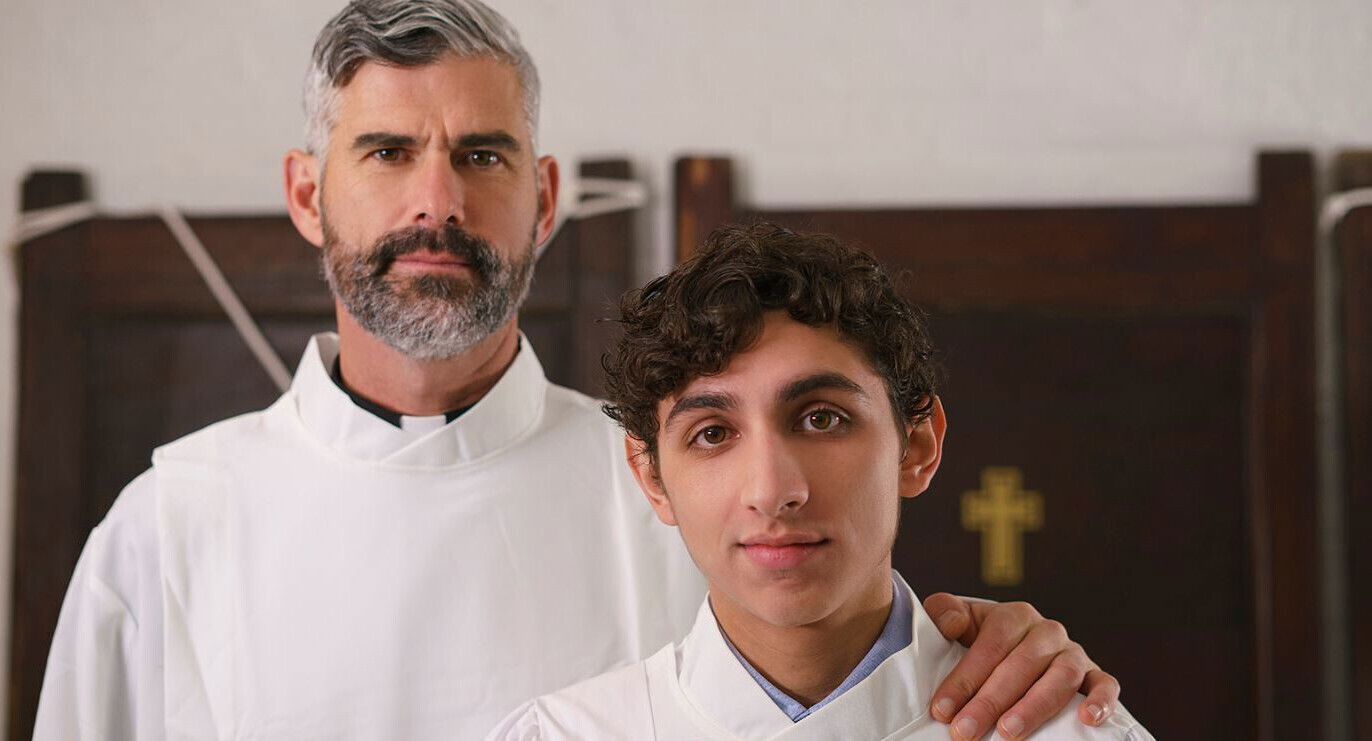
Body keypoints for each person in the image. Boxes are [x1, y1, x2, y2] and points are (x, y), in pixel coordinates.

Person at [34, 2, 1118, 739]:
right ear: (307, 194)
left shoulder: (680, 480)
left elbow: (849, 677)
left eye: (482, 155)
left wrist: (991, 657)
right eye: (385, 152)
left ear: (544, 198)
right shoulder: (168, 529)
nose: (437, 203)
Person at [492, 223, 1153, 741]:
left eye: (820, 417)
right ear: (652, 477)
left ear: (916, 445)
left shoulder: (1068, 729)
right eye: (714, 433)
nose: (773, 488)